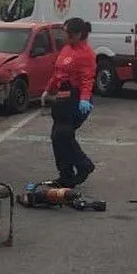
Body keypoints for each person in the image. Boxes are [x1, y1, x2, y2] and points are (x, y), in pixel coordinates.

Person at [41, 18, 97, 187]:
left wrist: (84, 99)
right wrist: (48, 90)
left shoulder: (86, 54)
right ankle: (65, 174)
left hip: (76, 98)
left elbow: (88, 79)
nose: (65, 36)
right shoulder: (66, 49)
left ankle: (84, 165)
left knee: (62, 135)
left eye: (68, 33)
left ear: (78, 34)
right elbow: (57, 73)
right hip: (61, 97)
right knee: (57, 138)